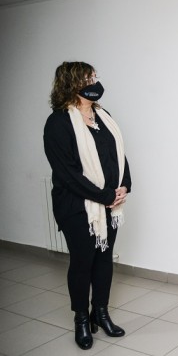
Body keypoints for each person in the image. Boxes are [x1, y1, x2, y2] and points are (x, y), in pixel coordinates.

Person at [43, 62, 131, 350]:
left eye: (95, 76)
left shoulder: (104, 116)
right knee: (83, 263)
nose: (94, 81)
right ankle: (82, 319)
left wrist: (124, 186)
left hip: (108, 204)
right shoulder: (58, 123)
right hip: (77, 207)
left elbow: (120, 155)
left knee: (104, 260)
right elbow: (68, 174)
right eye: (88, 77)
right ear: (71, 83)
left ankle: (100, 313)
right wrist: (105, 196)